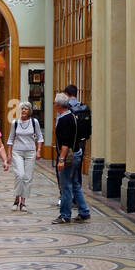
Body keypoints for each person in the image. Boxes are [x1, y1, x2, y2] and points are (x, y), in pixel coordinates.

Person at [53, 91, 90, 224]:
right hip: (77, 152)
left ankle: (65, 215)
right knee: (75, 184)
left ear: (58, 105)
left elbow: (65, 143)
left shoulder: (63, 120)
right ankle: (84, 211)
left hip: (68, 156)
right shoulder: (73, 116)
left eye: (54, 103)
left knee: (66, 186)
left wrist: (61, 159)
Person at [6, 102, 43, 211]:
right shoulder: (15, 123)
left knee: (27, 177)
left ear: (29, 111)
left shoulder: (34, 122)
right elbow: (10, 139)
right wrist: (8, 154)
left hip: (30, 152)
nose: (23, 111)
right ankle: (16, 199)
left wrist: (39, 150)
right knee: (20, 175)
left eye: (26, 109)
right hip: (17, 152)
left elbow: (40, 137)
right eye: (22, 109)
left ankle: (23, 202)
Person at [64, 83, 92, 215]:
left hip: (70, 144)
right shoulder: (83, 106)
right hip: (82, 142)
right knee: (77, 172)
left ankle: (68, 202)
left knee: (67, 175)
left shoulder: (67, 108)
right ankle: (77, 199)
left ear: (67, 94)